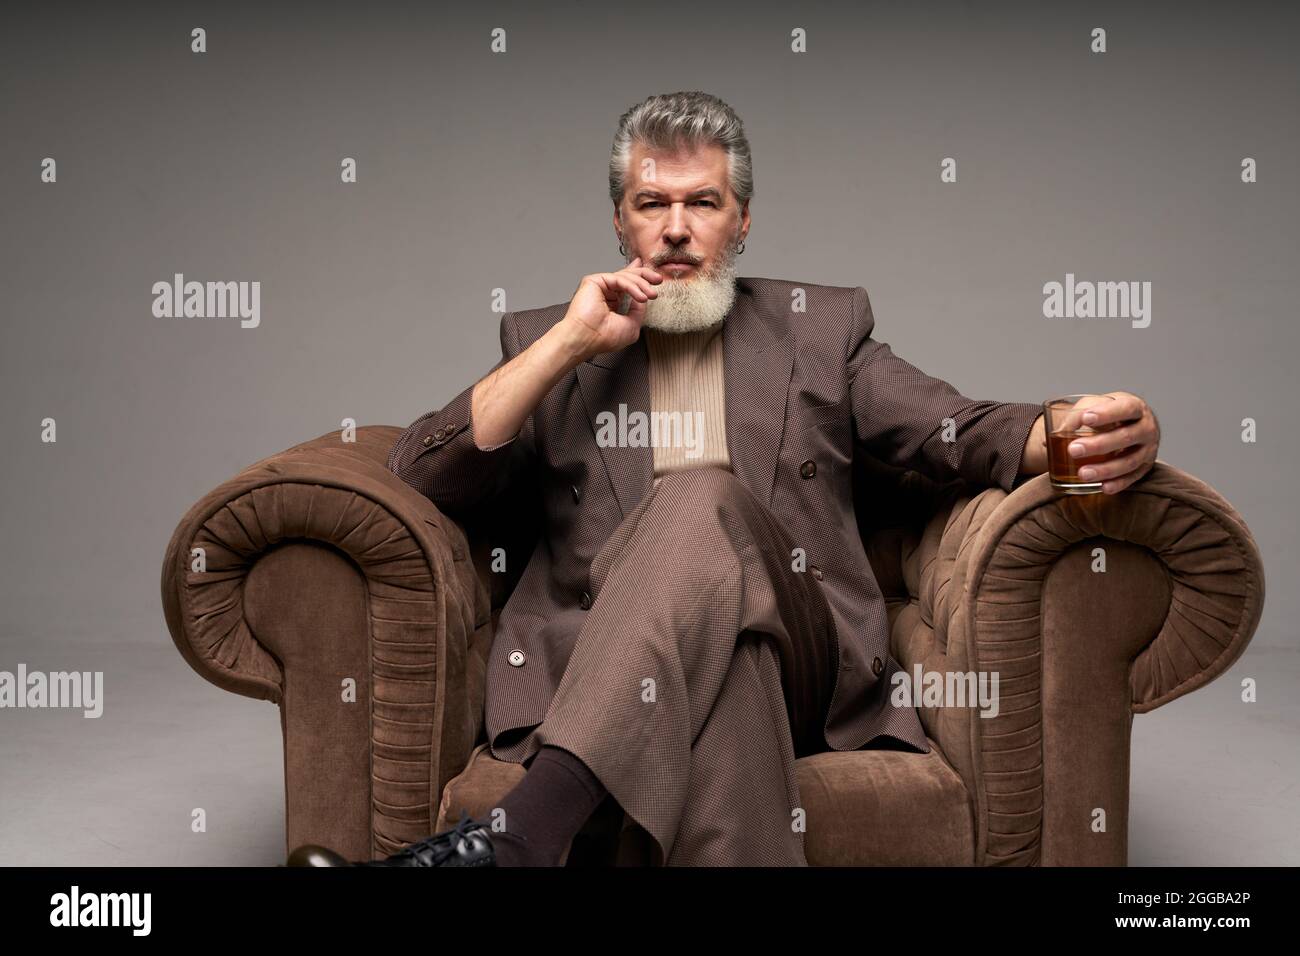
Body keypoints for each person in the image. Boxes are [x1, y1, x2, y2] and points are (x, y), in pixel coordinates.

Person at [288, 90, 1161, 868]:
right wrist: (568, 346)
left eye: (702, 203)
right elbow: (427, 473)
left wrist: (1072, 431)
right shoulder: (553, 341)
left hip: (807, 655)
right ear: (619, 226)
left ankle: (521, 837)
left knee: (701, 498)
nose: (675, 229)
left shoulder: (820, 331)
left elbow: (959, 430)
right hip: (611, 667)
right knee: (727, 673)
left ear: (741, 222)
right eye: (651, 204)